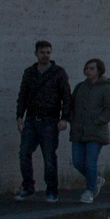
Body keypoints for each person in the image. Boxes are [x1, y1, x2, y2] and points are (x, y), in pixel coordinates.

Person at [14, 40, 69, 203]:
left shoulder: (58, 73)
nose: (45, 55)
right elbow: (22, 95)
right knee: (24, 153)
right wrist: (19, 117)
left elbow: (66, 96)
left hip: (50, 121)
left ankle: (52, 191)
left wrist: (64, 118)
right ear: (36, 53)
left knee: (49, 157)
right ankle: (28, 187)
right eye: (42, 52)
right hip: (31, 120)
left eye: (48, 52)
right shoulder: (29, 72)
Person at [66, 59, 110, 204]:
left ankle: (89, 191)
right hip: (78, 132)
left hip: (95, 133)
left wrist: (97, 121)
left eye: (92, 68)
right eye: (86, 68)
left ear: (99, 70)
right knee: (77, 162)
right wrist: (71, 120)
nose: (88, 71)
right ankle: (95, 179)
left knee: (90, 163)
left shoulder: (106, 89)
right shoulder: (80, 87)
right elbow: (72, 104)